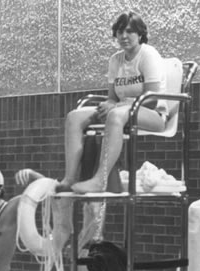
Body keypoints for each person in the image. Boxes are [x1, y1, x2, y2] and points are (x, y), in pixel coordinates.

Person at [58, 11, 167, 194]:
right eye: (119, 32)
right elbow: (112, 98)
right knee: (74, 117)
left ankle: (100, 180)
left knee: (116, 115)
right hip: (124, 111)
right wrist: (107, 105)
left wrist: (115, 107)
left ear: (140, 34)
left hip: (153, 115)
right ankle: (70, 178)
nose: (124, 36)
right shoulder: (115, 60)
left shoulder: (148, 55)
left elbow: (152, 100)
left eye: (130, 31)